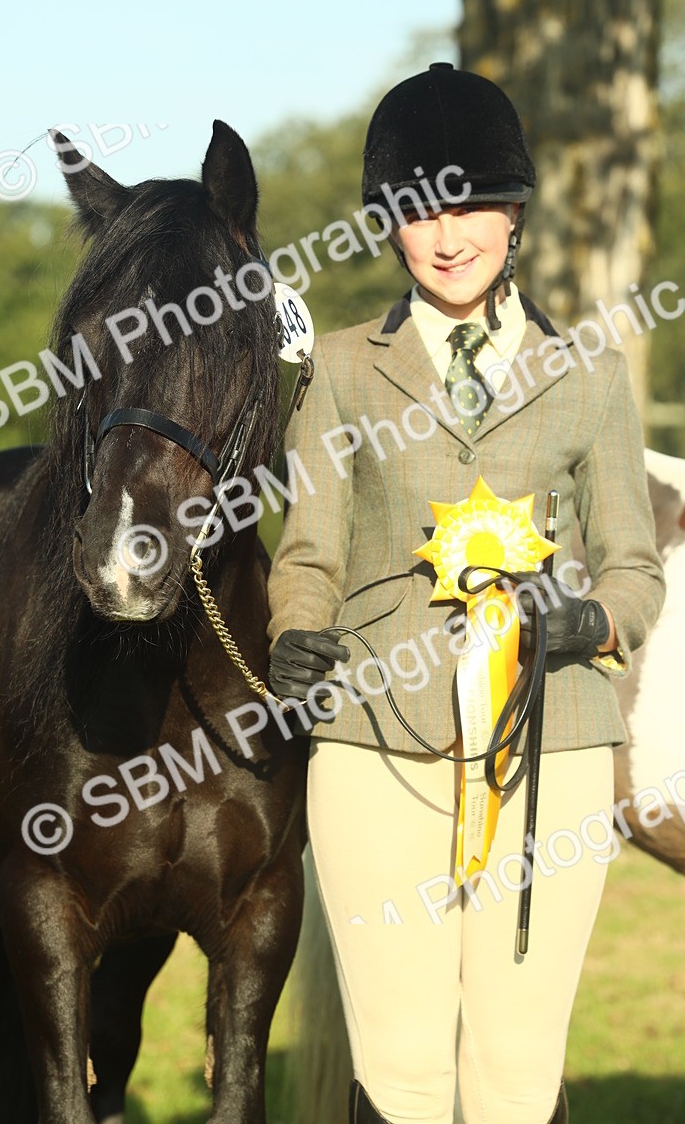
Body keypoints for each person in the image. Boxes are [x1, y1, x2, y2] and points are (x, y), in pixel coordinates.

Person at [266, 63, 665, 1124]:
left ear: (514, 213)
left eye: (472, 206)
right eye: (419, 213)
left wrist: (594, 620)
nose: (448, 238)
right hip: (373, 743)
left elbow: (634, 562)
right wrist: (295, 634)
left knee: (514, 1069)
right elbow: (307, 554)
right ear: (390, 227)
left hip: (550, 743)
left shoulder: (590, 374)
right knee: (400, 1067)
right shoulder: (339, 371)